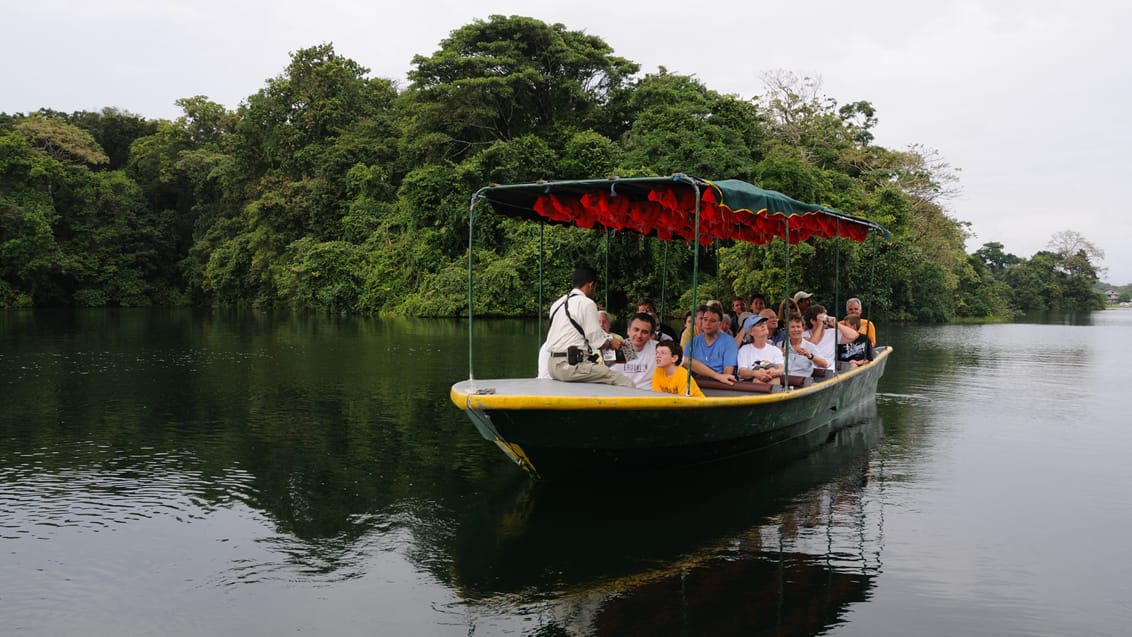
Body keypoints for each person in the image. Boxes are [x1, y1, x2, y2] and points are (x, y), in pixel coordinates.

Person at [544, 265, 635, 387]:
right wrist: (611, 343)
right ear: (591, 285)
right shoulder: (586, 303)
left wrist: (609, 338)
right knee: (626, 383)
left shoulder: (558, 303)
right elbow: (597, 341)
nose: (594, 292)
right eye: (595, 288)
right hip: (571, 366)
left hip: (552, 366)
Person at [685, 305, 738, 385]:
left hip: (719, 385)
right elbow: (684, 364)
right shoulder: (692, 342)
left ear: (719, 324)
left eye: (712, 321)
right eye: (705, 319)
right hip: (696, 384)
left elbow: (728, 373)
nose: (707, 323)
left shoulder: (729, 342)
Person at [802, 304, 859, 372]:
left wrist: (836, 324)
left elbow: (854, 335)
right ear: (813, 321)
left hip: (829, 372)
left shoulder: (831, 333)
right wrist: (820, 325)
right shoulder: (804, 335)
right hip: (810, 372)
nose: (824, 319)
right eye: (822, 318)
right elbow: (811, 345)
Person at [610, 312, 659, 389]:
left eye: (644, 332)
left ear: (651, 335)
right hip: (622, 394)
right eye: (636, 330)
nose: (639, 335)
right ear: (628, 331)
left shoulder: (659, 349)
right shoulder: (615, 349)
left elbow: (682, 363)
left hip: (650, 396)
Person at [736, 315, 785, 384]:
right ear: (751, 332)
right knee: (758, 380)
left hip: (772, 380)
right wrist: (755, 373)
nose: (763, 326)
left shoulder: (775, 350)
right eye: (759, 325)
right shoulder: (744, 350)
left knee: (775, 378)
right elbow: (742, 371)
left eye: (764, 323)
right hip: (751, 385)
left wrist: (773, 372)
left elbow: (781, 369)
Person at [783, 314, 828, 381]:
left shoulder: (810, 346)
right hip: (783, 382)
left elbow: (825, 364)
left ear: (803, 329)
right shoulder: (780, 345)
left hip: (802, 383)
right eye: (792, 327)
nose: (795, 329)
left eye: (798, 327)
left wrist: (809, 356)